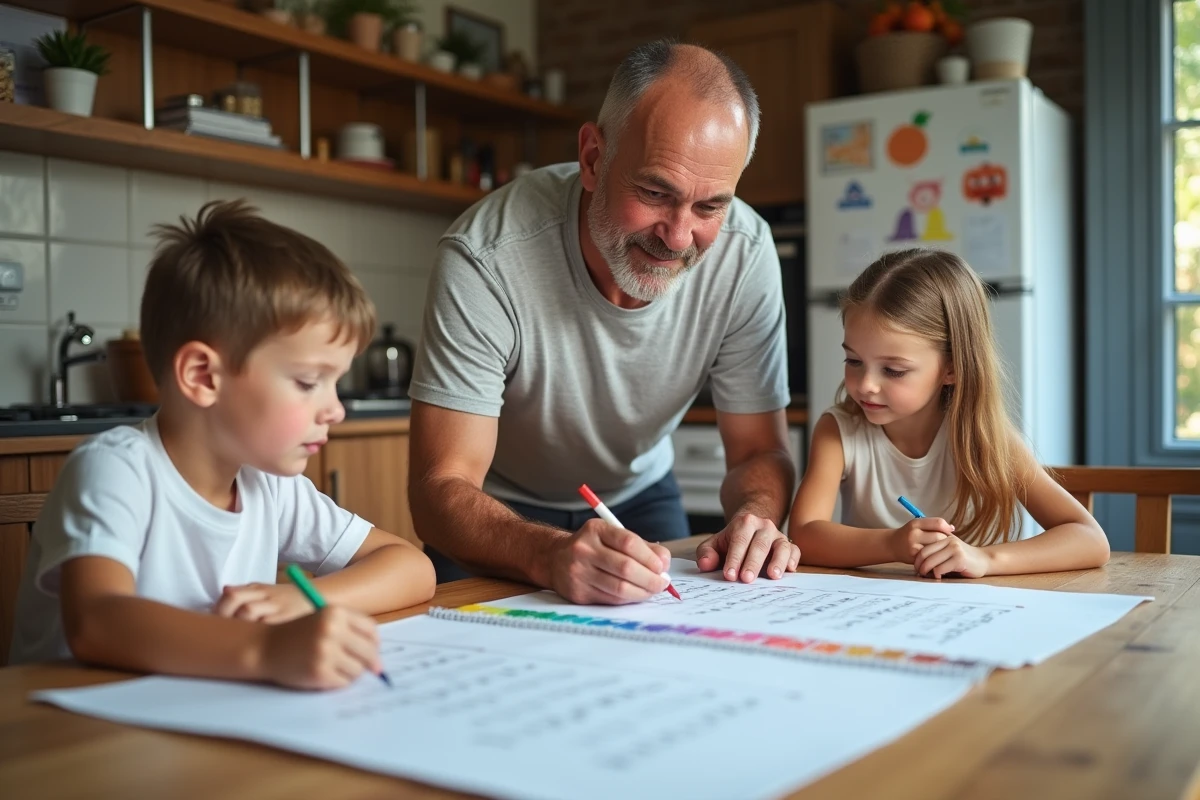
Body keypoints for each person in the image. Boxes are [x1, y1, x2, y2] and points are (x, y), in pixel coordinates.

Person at [407, 39, 801, 604]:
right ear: (593, 158)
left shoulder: (746, 254)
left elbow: (758, 452)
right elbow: (438, 488)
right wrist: (548, 552)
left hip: (637, 494)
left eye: (711, 206)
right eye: (654, 191)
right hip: (494, 510)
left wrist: (757, 517)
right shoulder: (486, 257)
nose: (679, 236)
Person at [8, 200, 436, 688]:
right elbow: (98, 621)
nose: (336, 409)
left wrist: (300, 601)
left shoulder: (267, 483)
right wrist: (265, 649)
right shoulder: (116, 470)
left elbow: (411, 567)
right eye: (308, 381)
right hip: (72, 740)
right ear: (203, 376)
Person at [788, 248, 1110, 578]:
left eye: (894, 370)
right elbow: (805, 534)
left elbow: (1089, 539)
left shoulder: (986, 438)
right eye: (854, 361)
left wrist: (985, 560)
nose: (866, 385)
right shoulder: (838, 431)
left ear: (952, 369)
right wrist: (893, 545)